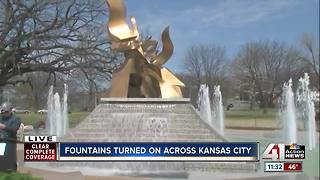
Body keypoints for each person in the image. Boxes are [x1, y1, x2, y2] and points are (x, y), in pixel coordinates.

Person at [0, 102, 21, 171]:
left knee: (10, 159)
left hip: (10, 142)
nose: (4, 113)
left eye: (6, 111)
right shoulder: (1, 118)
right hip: (1, 142)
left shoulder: (16, 119)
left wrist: (4, 127)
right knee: (1, 159)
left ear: (10, 111)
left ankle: (11, 171)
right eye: (2, 111)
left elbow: (14, 129)